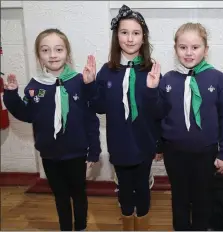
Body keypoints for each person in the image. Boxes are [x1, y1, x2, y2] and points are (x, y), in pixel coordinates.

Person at [3, 28, 101, 231]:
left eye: (58, 49)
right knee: (60, 196)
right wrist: (12, 96)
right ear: (39, 56)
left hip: (77, 153)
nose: (53, 55)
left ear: (67, 53)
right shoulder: (35, 85)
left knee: (79, 194)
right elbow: (27, 115)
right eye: (45, 50)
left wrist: (94, 151)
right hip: (49, 155)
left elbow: (92, 117)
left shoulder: (80, 82)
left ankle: (81, 227)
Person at [145, 22, 223, 231]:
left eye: (195, 47)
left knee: (203, 197)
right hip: (174, 152)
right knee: (179, 196)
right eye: (182, 47)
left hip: (206, 152)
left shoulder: (218, 79)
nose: (188, 52)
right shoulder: (167, 79)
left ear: (206, 49)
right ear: (175, 49)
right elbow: (157, 115)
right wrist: (151, 91)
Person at [84, 5, 161, 231]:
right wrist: (89, 85)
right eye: (124, 32)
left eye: (136, 33)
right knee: (125, 189)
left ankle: (143, 225)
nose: (130, 38)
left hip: (144, 143)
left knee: (143, 187)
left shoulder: (152, 70)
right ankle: (128, 224)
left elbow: (158, 112)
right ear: (116, 36)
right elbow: (98, 106)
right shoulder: (107, 71)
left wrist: (159, 143)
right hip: (119, 143)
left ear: (143, 37)